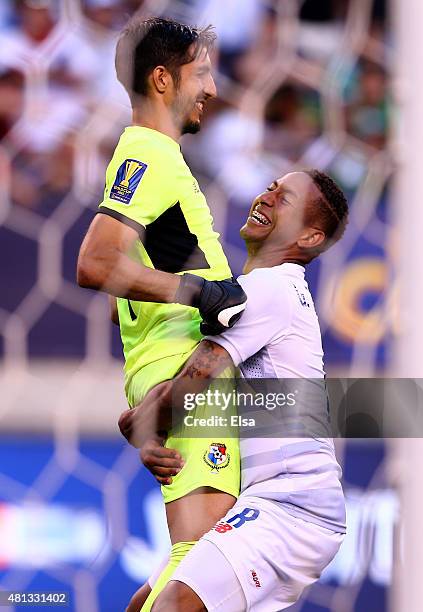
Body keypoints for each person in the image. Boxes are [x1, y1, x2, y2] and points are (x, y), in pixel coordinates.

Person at [120, 169, 349, 611]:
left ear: (310, 236)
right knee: (142, 605)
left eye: (286, 199)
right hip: (267, 500)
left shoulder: (268, 289)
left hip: (291, 507)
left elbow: (190, 385)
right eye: (270, 186)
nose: (266, 198)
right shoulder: (269, 291)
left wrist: (142, 424)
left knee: (173, 606)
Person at [76, 15, 246, 608]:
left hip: (179, 373)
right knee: (199, 564)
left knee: (203, 562)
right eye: (201, 74)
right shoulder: (149, 152)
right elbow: (95, 263)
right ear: (162, 80)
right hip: (187, 371)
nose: (213, 89)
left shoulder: (152, 155)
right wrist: (197, 293)